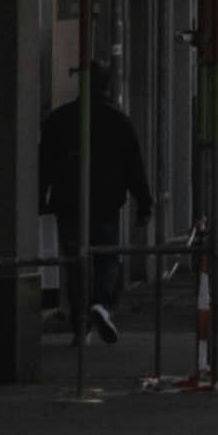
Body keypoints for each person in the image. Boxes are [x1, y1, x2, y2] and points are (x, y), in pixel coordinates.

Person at [38, 58, 150, 341]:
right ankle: (100, 303)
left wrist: (40, 196)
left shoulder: (59, 120)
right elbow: (133, 166)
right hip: (105, 203)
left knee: (75, 264)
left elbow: (44, 163)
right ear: (108, 85)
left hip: (69, 203)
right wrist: (144, 204)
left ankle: (81, 322)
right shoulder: (118, 121)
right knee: (107, 257)